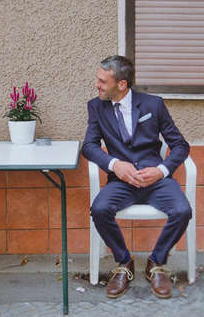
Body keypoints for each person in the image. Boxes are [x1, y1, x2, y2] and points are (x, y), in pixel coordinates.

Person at [81, 55, 192, 299]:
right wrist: (115, 165)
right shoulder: (96, 107)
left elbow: (180, 145)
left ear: (121, 84)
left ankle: (156, 263)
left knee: (183, 211)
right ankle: (124, 263)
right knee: (99, 209)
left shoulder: (154, 105)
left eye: (102, 81)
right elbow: (88, 146)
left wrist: (161, 170)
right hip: (121, 182)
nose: (97, 85)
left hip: (156, 180)